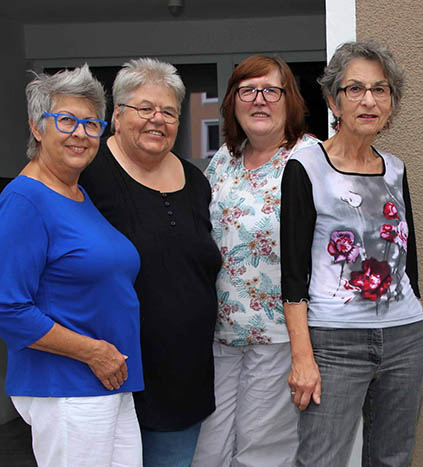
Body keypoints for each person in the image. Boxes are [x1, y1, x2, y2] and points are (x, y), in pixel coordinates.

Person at [280, 40, 423, 466]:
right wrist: (303, 357)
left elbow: (406, 265)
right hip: (333, 342)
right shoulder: (306, 165)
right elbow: (293, 274)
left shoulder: (395, 168)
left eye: (381, 89)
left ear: (392, 102)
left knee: (392, 459)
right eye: (355, 89)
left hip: (404, 338)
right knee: (321, 459)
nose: (368, 100)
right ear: (334, 100)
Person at [79, 58, 221, 467]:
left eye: (169, 112)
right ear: (117, 116)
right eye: (145, 108)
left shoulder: (197, 183)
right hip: (106, 369)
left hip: (182, 374)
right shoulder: (87, 174)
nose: (157, 119)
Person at [0, 65, 143, 466]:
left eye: (91, 123)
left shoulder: (76, 194)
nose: (80, 132)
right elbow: (8, 308)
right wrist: (94, 352)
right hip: (67, 384)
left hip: (108, 382)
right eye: (65, 119)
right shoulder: (25, 200)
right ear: (36, 126)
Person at [191, 55, 318, 467]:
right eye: (248, 91)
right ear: (233, 102)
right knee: (208, 451)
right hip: (220, 334)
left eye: (271, 90)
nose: (259, 100)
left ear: (289, 100)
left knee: (260, 455)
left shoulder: (311, 158)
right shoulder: (222, 161)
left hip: (280, 335)